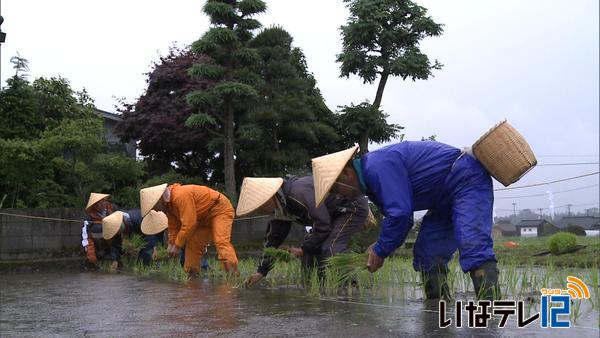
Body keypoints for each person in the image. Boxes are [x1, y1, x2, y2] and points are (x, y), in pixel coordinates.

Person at [311, 142, 501, 300]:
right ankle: (438, 313)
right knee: (428, 256)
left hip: (465, 179)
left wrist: (380, 251)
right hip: (442, 200)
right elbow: (402, 219)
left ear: (346, 173)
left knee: (473, 245)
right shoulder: (372, 184)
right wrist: (381, 246)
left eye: (336, 190)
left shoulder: (376, 166)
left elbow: (400, 214)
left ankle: (492, 319)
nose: (340, 196)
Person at [236, 176, 369, 288]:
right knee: (310, 251)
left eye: (259, 207)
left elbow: (323, 225)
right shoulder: (279, 209)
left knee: (331, 247)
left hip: (350, 207)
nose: (260, 212)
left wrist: (303, 249)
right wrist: (261, 272)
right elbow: (272, 243)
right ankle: (314, 288)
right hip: (329, 215)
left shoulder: (297, 194)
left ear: (268, 197)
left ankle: (350, 288)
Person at [139, 183, 238, 274]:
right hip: (204, 219)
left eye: (155, 206)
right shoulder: (169, 207)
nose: (156, 210)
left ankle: (232, 275)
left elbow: (189, 223)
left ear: (160, 199)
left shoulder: (179, 196)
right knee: (192, 244)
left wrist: (177, 246)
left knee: (221, 241)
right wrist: (171, 243)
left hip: (220, 210)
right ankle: (192, 277)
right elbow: (173, 228)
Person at [82, 192, 116, 268]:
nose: (101, 204)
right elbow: (86, 237)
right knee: (94, 262)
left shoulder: (111, 212)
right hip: (97, 246)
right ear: (94, 206)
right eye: (98, 203)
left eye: (103, 202)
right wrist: (91, 254)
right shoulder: (89, 218)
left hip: (110, 244)